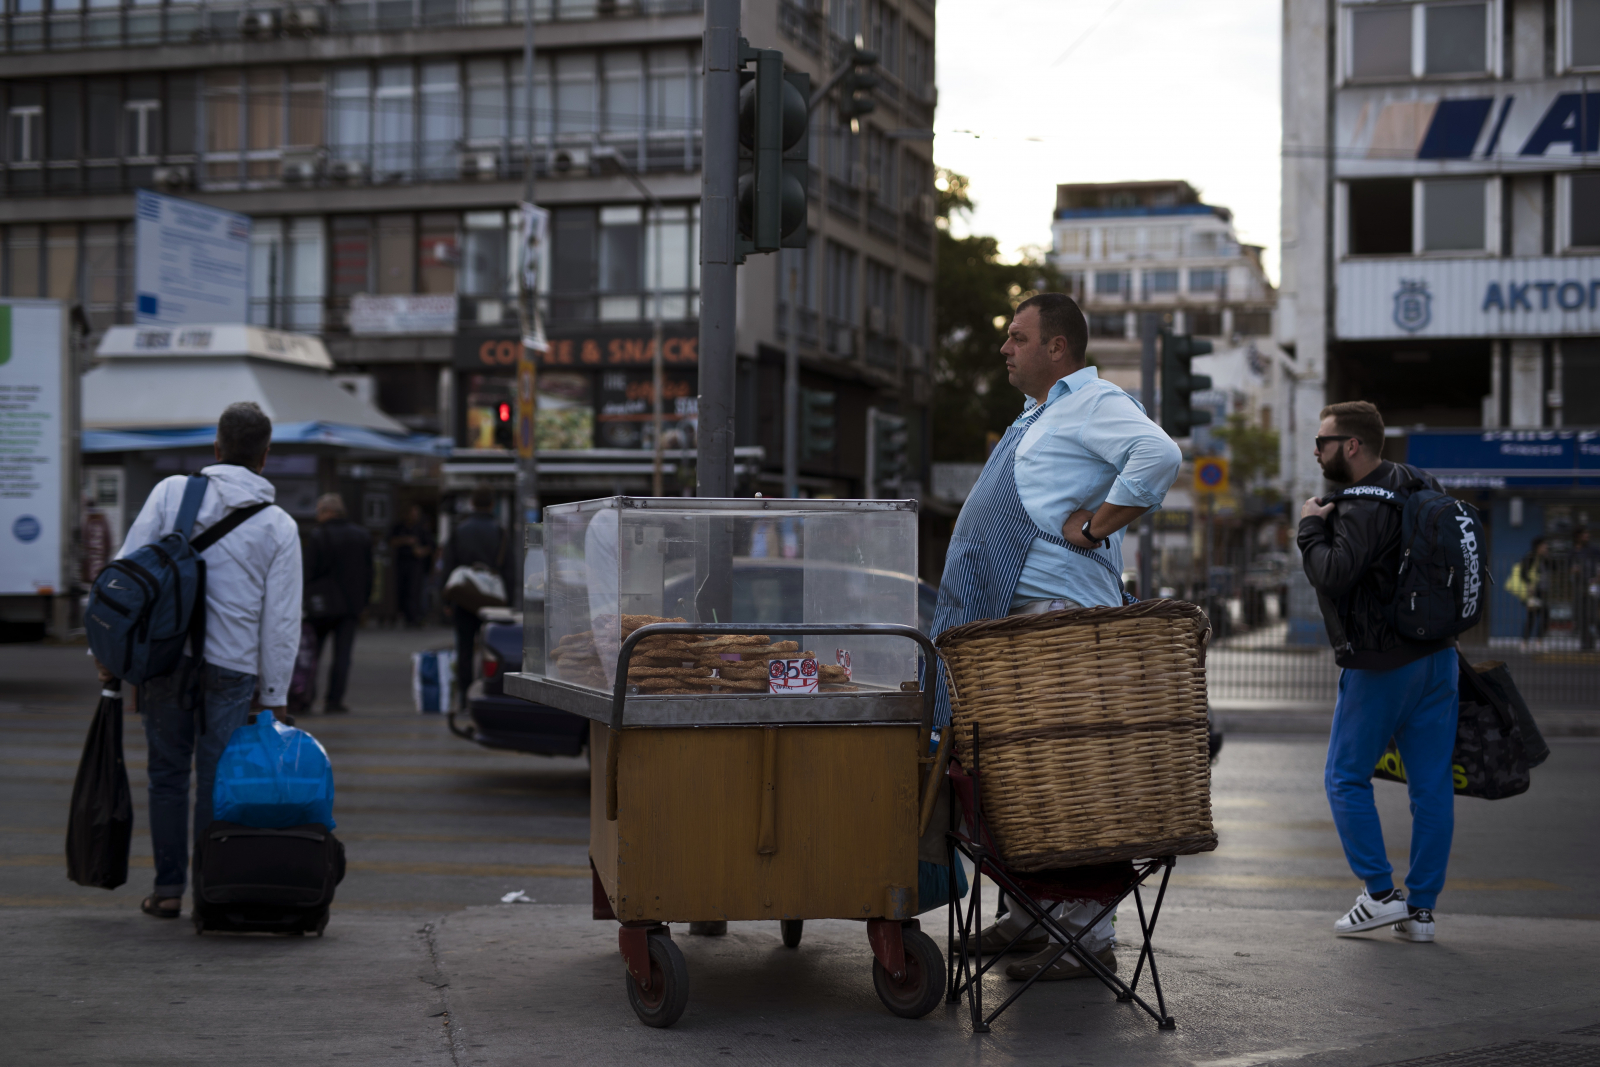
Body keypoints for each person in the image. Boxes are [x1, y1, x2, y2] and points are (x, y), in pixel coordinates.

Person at [929, 293, 1182, 982]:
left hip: (1060, 622)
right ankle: (1028, 915)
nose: (1005, 349)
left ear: (1058, 349)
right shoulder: (1039, 414)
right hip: (1018, 622)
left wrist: (1097, 525)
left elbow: (1158, 454)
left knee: (1071, 778)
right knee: (1014, 778)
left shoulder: (1091, 401)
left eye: (1017, 337)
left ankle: (1087, 935)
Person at [98, 401, 301, 920]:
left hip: (166, 660)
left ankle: (168, 891)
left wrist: (107, 656)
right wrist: (275, 697)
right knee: (217, 780)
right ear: (265, 456)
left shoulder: (171, 494)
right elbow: (279, 620)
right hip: (233, 670)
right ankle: (212, 892)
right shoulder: (278, 525)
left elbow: (124, 578)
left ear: (216, 446)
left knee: (166, 776)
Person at [1298, 400, 1457, 945]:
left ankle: (1380, 895)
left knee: (1344, 777)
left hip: (1383, 663)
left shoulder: (1363, 504)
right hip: (1439, 657)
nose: (1315, 450)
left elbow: (1335, 575)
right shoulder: (1417, 483)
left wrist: (1309, 530)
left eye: (1322, 441)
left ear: (1351, 446)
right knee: (1431, 786)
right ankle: (1422, 914)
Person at [303, 493, 373, 714]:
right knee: (343, 656)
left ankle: (306, 697)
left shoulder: (318, 535)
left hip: (321, 606)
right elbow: (369, 572)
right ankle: (334, 701)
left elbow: (309, 571)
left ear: (328, 511)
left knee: (313, 655)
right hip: (351, 606)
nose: (317, 515)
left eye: (319, 511)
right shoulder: (361, 535)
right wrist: (365, 602)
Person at [440, 488, 507, 710]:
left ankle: (464, 697)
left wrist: (446, 600)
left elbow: (448, 567)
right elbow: (509, 568)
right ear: (491, 505)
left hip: (464, 596)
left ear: (471, 503)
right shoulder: (499, 531)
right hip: (491, 599)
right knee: (490, 648)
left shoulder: (460, 530)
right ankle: (486, 691)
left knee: (465, 648)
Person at [389, 504, 436, 627]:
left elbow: (431, 546)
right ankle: (399, 614)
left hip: (416, 565)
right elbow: (390, 541)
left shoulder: (421, 529)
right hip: (401, 563)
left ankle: (414, 617)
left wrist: (421, 551)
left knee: (414, 590)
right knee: (399, 589)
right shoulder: (399, 527)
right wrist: (405, 540)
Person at [1507, 537, 1549, 651]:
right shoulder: (1531, 557)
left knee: (1544, 615)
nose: (1546, 548)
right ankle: (1525, 642)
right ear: (1538, 547)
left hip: (1542, 592)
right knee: (1533, 617)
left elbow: (1555, 567)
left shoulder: (1544, 559)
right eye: (1544, 546)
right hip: (1532, 592)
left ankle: (1536, 641)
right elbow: (1523, 573)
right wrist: (1529, 585)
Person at [1573, 527, 1599, 652]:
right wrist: (1574, 571)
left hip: (1592, 584)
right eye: (1584, 534)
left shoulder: (1593, 549)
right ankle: (1584, 642)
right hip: (1579, 586)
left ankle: (1592, 642)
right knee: (1581, 615)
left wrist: (1597, 578)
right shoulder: (1573, 551)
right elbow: (1568, 567)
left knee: (1592, 615)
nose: (1587, 536)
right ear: (1578, 536)